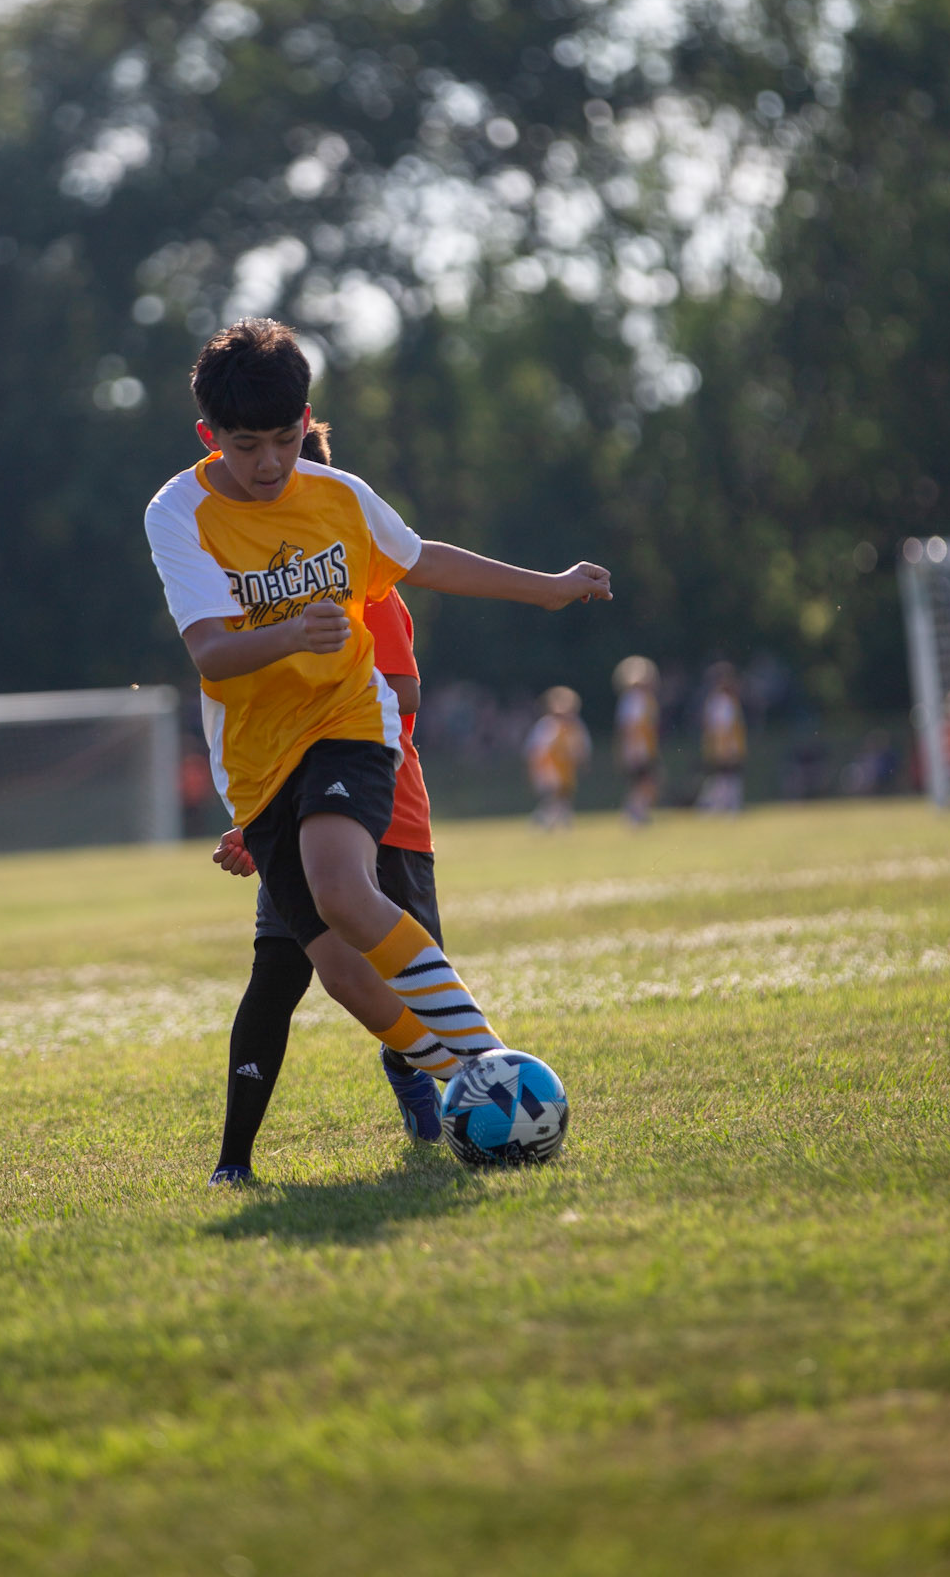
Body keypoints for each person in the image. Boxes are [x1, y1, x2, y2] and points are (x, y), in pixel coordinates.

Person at [144, 316, 611, 1171]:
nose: (270, 464)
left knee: (342, 890)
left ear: (305, 421)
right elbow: (209, 651)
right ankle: (459, 1082)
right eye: (246, 446)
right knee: (341, 973)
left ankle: (493, 1069)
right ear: (210, 436)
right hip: (256, 764)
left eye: (284, 441)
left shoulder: (340, 495)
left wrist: (544, 587)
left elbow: (420, 557)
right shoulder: (180, 513)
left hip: (346, 722)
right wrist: (293, 632)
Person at [208, 420, 448, 1184]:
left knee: (410, 978)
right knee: (276, 974)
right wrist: (257, 817)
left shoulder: (362, 583)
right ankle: (232, 1163)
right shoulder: (250, 595)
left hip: (388, 808)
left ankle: (422, 1071)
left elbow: (405, 690)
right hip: (289, 811)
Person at [524, 687, 591, 829]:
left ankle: (555, 820)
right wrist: (536, 772)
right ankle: (548, 820)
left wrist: (582, 762)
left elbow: (581, 747)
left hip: (566, 768)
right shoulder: (548, 725)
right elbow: (536, 751)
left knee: (564, 795)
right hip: (551, 769)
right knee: (556, 795)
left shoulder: (575, 726)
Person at [612, 656, 660, 826]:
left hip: (644, 747)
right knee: (644, 781)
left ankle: (636, 811)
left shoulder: (643, 698)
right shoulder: (634, 698)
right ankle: (634, 813)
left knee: (643, 782)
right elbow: (629, 727)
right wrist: (630, 750)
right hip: (638, 749)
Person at [699, 662, 747, 814]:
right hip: (725, 745)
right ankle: (719, 804)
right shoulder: (722, 700)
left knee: (725, 775)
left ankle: (724, 804)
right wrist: (725, 748)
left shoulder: (720, 700)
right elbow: (721, 727)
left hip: (724, 744)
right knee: (725, 774)